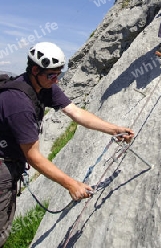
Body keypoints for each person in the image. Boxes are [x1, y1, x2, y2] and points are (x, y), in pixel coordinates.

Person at [0, 42, 134, 246]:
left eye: (58, 74)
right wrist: (70, 184)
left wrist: (113, 129)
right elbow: (33, 156)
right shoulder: (18, 104)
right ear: (35, 70)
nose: (56, 80)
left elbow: (75, 113)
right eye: (51, 75)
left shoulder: (45, 87)